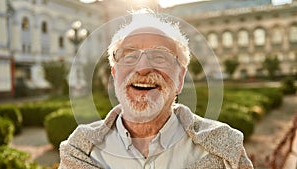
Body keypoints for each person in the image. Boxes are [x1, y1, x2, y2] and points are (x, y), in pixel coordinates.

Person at [59, 10, 254, 169]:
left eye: (160, 57)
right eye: (129, 56)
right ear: (114, 74)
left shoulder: (225, 147)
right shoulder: (80, 149)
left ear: (180, 78)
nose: (142, 68)